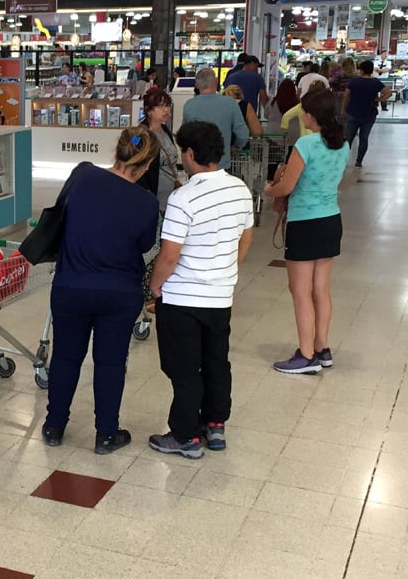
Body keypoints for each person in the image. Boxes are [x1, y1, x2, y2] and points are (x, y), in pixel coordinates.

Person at [42, 127, 160, 454]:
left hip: (70, 285)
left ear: (116, 151)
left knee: (66, 356)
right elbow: (145, 244)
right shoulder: (146, 203)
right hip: (119, 292)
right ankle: (106, 434)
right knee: (110, 362)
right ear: (148, 164)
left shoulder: (83, 177)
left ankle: (54, 426)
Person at [147, 121, 254, 459]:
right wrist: (225, 268)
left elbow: (169, 254)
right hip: (220, 297)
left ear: (191, 154)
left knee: (183, 367)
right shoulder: (240, 189)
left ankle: (185, 436)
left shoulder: (183, 198)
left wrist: (154, 287)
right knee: (216, 361)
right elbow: (245, 237)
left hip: (181, 300)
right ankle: (215, 424)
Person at [264, 89, 349, 375]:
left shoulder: (306, 144)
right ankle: (322, 348)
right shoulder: (342, 143)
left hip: (304, 222)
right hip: (330, 220)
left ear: (311, 114)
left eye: (304, 110)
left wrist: (269, 189)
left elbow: (287, 186)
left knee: (300, 291)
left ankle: (305, 354)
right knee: (321, 290)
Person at [181, 68, 249, 170]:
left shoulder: (189, 105)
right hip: (221, 164)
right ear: (216, 81)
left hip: (196, 165)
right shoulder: (230, 103)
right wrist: (236, 147)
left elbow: (184, 138)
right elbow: (243, 134)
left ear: (196, 85)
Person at [138, 89, 185, 210]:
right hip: (151, 192)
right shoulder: (141, 133)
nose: (166, 110)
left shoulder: (165, 130)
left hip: (170, 192)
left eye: (168, 106)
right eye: (161, 106)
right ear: (149, 110)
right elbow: (134, 158)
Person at [342, 60, 391, 168]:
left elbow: (346, 96)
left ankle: (342, 160)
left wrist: (343, 110)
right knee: (364, 138)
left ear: (362, 70)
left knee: (348, 138)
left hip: (353, 112)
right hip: (369, 113)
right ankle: (359, 161)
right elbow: (388, 93)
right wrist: (378, 99)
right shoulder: (376, 82)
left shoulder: (354, 81)